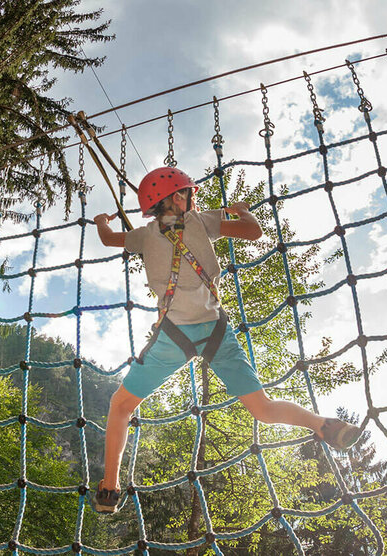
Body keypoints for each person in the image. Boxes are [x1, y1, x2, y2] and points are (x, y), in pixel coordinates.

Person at [90, 167, 360, 514]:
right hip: (216, 329)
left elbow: (108, 238)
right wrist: (240, 210)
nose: (193, 198)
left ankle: (109, 489)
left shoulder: (143, 235)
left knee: (121, 405)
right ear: (177, 198)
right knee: (263, 409)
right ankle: (322, 425)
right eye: (188, 193)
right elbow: (254, 231)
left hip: (174, 334)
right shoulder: (202, 221)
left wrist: (100, 221)